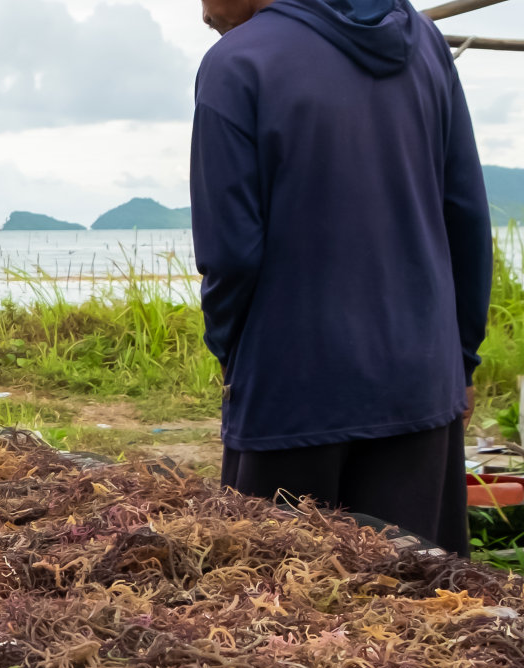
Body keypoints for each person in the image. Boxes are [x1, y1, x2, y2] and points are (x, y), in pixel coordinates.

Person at [191, 0, 493, 553]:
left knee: (280, 613)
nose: (202, 10)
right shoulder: (426, 46)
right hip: (422, 383)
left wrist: (233, 355)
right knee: (420, 614)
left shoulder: (236, 63)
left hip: (292, 391)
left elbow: (231, 251)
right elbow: (466, 216)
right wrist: (461, 360)